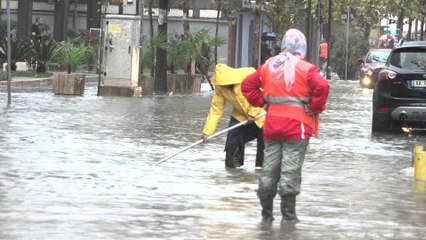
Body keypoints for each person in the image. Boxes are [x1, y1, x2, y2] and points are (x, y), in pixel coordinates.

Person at [241, 29, 330, 224]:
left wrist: (263, 101)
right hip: (297, 127)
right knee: (290, 170)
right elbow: (322, 87)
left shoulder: (268, 66)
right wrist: (314, 107)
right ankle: (289, 220)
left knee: (269, 169)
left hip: (272, 126)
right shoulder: (306, 69)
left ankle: (266, 218)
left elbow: (247, 85)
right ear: (303, 48)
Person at [202, 63, 266, 168]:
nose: (223, 87)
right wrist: (208, 132)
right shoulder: (220, 88)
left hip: (261, 114)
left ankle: (260, 171)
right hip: (239, 115)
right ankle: (234, 174)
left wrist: (252, 113)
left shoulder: (248, 74)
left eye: (224, 84)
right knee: (232, 146)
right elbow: (216, 109)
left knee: (265, 147)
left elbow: (263, 94)